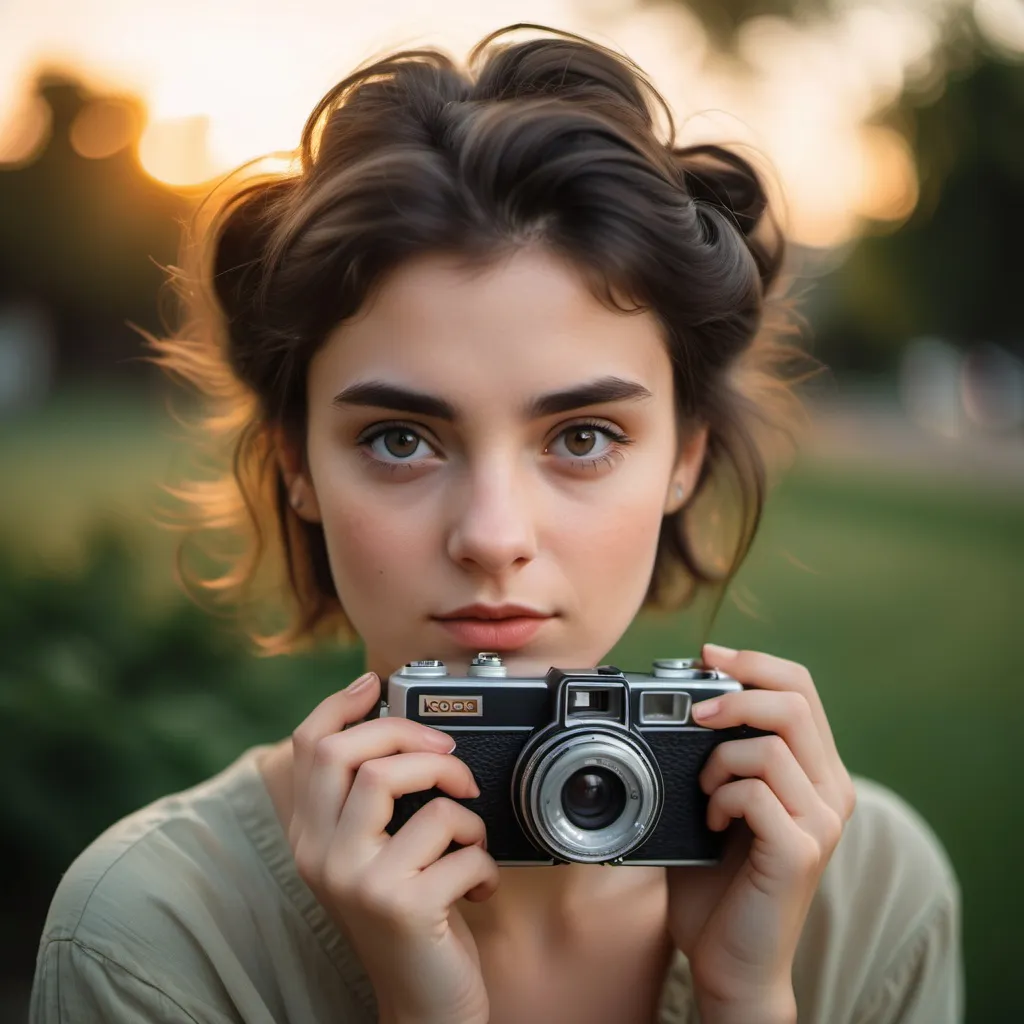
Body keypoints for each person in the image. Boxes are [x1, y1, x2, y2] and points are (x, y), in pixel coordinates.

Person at [30, 23, 962, 1024]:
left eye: (583, 435)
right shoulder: (157, 937)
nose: (491, 534)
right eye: (399, 439)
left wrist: (747, 996)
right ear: (296, 464)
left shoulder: (867, 893)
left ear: (684, 455)